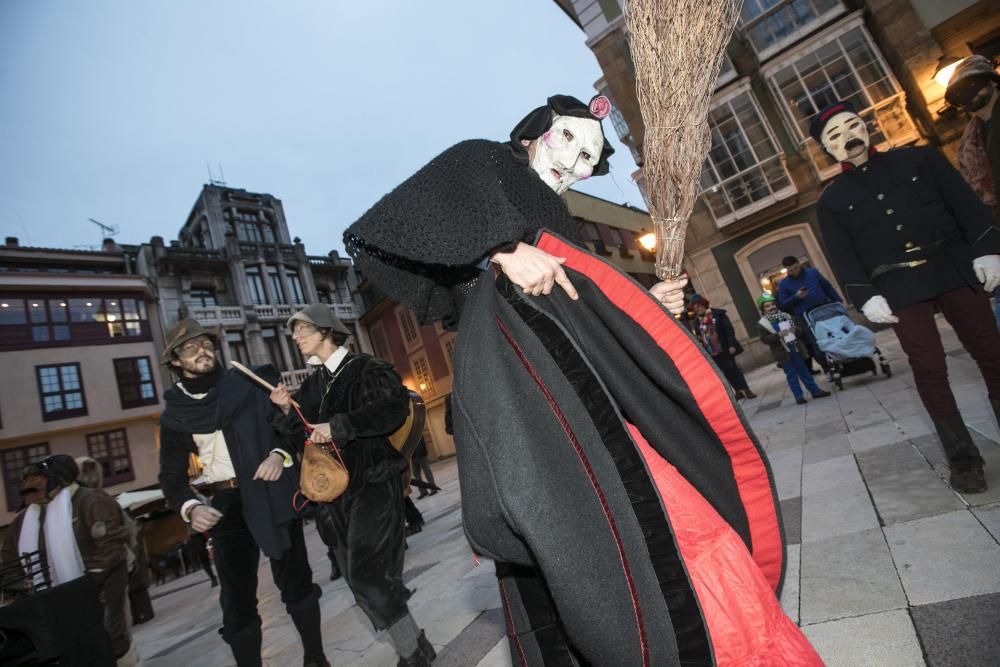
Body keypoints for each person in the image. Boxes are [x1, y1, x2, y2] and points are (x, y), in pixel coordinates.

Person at [343, 94, 821, 665]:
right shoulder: (486, 162)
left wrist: (643, 304)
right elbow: (397, 225)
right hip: (516, 381)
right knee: (567, 527)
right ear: (532, 134)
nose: (574, 163)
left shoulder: (558, 215)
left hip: (585, 390)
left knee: (638, 518)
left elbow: (577, 307)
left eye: (589, 156)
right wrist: (497, 251)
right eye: (567, 140)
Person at [812, 99, 1000, 494]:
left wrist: (986, 248)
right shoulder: (831, 201)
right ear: (827, 148)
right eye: (834, 135)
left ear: (865, 127)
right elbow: (843, 257)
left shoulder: (920, 159)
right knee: (929, 369)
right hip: (899, 286)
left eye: (851, 125)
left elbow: (966, 206)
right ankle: (964, 460)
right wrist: (865, 296)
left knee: (991, 353)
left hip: (952, 265)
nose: (846, 136)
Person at [270, 304, 435, 667]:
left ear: (326, 331)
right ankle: (416, 646)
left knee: (367, 573)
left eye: (302, 331)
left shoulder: (365, 368)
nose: (295, 338)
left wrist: (340, 426)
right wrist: (287, 414)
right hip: (335, 496)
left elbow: (393, 410)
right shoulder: (311, 387)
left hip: (373, 481)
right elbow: (306, 438)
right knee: (362, 581)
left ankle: (413, 654)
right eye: (294, 332)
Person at [157, 319, 328, 667]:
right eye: (190, 347)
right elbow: (171, 477)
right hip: (226, 504)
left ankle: (315, 659)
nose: (202, 351)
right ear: (175, 361)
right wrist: (190, 507)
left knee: (296, 582)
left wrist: (278, 455)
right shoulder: (175, 413)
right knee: (237, 603)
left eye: (206, 343)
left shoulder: (250, 381)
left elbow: (288, 433)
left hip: (269, 490)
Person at [1, 454, 138, 666]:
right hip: (50, 608)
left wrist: (81, 587)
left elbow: (110, 548)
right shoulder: (21, 522)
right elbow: (10, 563)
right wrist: (24, 591)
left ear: (58, 480)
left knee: (110, 642)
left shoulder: (91, 500)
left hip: (98, 593)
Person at [945, 54, 1000, 326]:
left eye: (973, 85)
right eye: (960, 93)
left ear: (991, 81)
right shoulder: (968, 143)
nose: (969, 95)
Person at [757, 294, 832, 405]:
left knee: (804, 371)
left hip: (796, 348)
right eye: (767, 306)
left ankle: (815, 391)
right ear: (763, 309)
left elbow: (800, 330)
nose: (771, 307)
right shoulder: (763, 324)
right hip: (782, 353)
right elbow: (764, 339)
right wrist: (778, 335)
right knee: (791, 375)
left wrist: (795, 330)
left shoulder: (787, 316)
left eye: (773, 304)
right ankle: (799, 396)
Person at [776, 255, 842, 373]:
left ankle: (841, 362)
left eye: (796, 268)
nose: (794, 272)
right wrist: (796, 297)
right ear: (786, 270)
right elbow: (783, 304)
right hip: (805, 317)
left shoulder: (813, 272)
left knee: (834, 335)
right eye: (791, 270)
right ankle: (828, 369)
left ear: (799, 264)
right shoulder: (784, 284)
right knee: (817, 343)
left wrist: (838, 302)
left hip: (824, 309)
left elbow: (827, 287)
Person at [688, 294, 756, 399]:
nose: (697, 309)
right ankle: (738, 391)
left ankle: (746, 390)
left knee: (733, 369)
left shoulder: (718, 314)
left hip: (725, 348)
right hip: (712, 351)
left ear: (704, 304)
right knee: (724, 372)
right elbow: (700, 336)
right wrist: (700, 339)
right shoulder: (697, 322)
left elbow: (729, 330)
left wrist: (731, 345)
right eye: (694, 308)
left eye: (699, 306)